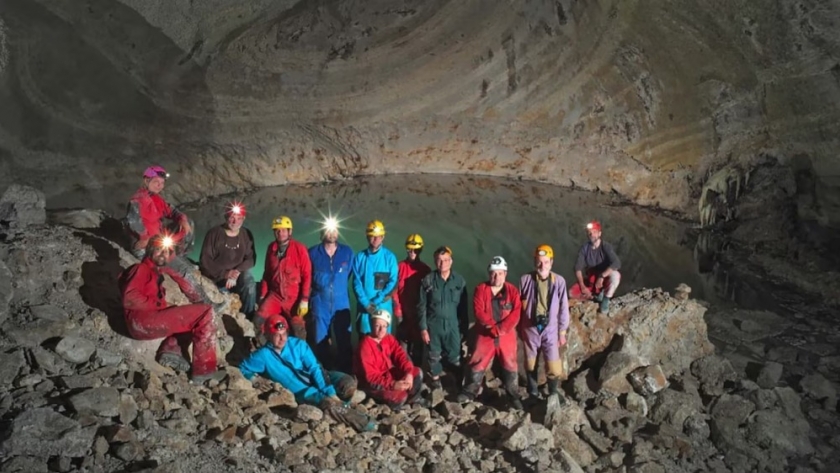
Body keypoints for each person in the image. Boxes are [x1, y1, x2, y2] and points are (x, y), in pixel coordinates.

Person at [240, 314, 375, 433]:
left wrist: (330, 391)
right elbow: (243, 368)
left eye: (284, 334)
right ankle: (364, 423)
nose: (282, 339)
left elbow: (315, 368)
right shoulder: (263, 356)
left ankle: (341, 404)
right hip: (304, 392)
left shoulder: (298, 344)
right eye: (277, 335)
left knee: (348, 384)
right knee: (331, 404)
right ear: (268, 335)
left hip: (321, 377)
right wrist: (254, 379)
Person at [119, 234, 224, 384]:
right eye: (159, 250)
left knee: (188, 318)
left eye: (167, 252)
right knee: (205, 312)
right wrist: (157, 306)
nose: (163, 254)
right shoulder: (140, 268)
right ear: (150, 250)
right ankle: (204, 371)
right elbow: (129, 297)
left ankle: (171, 349)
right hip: (143, 321)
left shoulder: (155, 273)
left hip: (143, 322)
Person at [124, 165, 212, 305]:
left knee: (188, 222)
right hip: (146, 247)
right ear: (146, 181)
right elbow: (133, 221)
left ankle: (181, 255)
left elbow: (173, 211)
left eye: (162, 183)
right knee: (184, 271)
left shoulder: (156, 199)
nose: (160, 186)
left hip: (158, 240)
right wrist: (144, 237)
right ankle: (205, 303)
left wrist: (183, 219)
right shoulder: (138, 200)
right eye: (156, 182)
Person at [459, 256, 523, 409]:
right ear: (489, 274)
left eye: (500, 273)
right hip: (485, 333)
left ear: (505, 274)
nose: (496, 277)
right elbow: (479, 312)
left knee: (510, 362)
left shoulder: (513, 291)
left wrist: (501, 329)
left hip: (506, 334)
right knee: (477, 360)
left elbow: (516, 313)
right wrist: (491, 327)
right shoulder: (480, 289)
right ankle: (470, 391)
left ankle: (513, 396)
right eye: (493, 273)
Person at [519, 244, 570, 400]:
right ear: (535, 261)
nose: (542, 265)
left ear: (551, 262)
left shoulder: (559, 282)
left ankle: (553, 393)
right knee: (530, 364)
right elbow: (517, 306)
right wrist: (518, 329)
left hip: (551, 330)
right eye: (539, 262)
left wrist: (562, 332)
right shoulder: (525, 280)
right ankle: (533, 393)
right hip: (530, 330)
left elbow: (564, 308)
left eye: (546, 262)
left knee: (554, 366)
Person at [417, 246, 469, 390]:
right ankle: (435, 383)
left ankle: (457, 383)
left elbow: (463, 309)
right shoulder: (427, 281)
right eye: (439, 260)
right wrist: (423, 329)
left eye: (446, 260)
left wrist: (463, 329)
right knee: (433, 356)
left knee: (455, 356)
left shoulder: (459, 281)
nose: (443, 263)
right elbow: (421, 306)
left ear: (451, 261)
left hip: (453, 326)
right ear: (435, 261)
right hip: (434, 325)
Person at [308, 221, 355, 372]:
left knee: (344, 338)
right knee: (320, 339)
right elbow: (307, 277)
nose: (332, 234)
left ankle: (345, 371)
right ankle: (325, 372)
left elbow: (348, 274)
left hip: (341, 302)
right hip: (320, 302)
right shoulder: (313, 253)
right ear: (322, 233)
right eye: (328, 230)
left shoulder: (346, 252)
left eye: (334, 230)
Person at [355, 309, 424, 410]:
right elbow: (370, 378)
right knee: (400, 397)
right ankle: (394, 400)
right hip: (373, 383)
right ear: (371, 325)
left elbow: (401, 356)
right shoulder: (365, 346)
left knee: (417, 372)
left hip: (389, 375)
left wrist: (408, 373)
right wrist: (393, 384)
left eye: (384, 326)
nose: (381, 329)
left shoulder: (388, 338)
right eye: (377, 325)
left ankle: (412, 399)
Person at [256, 215, 312, 340]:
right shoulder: (271, 249)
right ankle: (268, 352)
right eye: (277, 230)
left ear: (289, 231)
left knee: (298, 330)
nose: (280, 233)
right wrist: (262, 295)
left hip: (294, 297)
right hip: (275, 295)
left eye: (283, 230)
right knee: (259, 320)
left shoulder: (299, 249)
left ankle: (297, 357)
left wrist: (304, 299)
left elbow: (307, 275)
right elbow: (267, 274)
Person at [199, 202, 257, 318]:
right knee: (223, 299)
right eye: (232, 218)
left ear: (243, 219)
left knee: (250, 284)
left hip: (237, 274)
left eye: (239, 218)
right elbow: (205, 261)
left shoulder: (246, 234)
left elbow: (251, 259)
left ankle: (248, 317)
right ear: (226, 217)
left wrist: (236, 272)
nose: (235, 222)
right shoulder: (214, 233)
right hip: (217, 275)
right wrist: (225, 273)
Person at [351, 220, 398, 336]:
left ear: (383, 237)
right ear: (367, 236)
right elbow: (356, 283)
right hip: (364, 309)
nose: (375, 239)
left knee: (384, 342)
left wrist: (377, 301)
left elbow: (392, 282)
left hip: (383, 307)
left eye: (378, 236)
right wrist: (366, 303)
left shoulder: (390, 258)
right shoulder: (360, 257)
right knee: (365, 341)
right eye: (372, 236)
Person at [393, 234, 431, 364]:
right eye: (410, 249)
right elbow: (394, 291)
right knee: (402, 347)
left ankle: (417, 374)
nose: (413, 253)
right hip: (403, 313)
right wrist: (398, 311)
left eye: (416, 250)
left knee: (418, 348)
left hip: (419, 315)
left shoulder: (426, 270)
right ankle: (403, 373)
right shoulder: (399, 267)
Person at [570, 221, 621, 313]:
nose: (591, 234)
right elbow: (577, 268)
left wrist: (602, 276)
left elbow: (616, 263)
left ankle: (605, 298)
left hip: (604, 279)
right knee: (572, 292)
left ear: (599, 233)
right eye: (589, 232)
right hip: (592, 280)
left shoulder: (605, 246)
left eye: (594, 232)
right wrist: (582, 286)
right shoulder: (585, 248)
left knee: (616, 276)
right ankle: (592, 297)